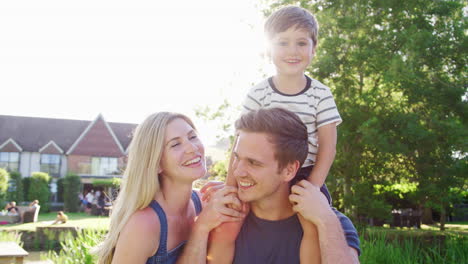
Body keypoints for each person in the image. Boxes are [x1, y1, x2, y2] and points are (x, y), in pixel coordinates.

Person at [205, 108, 360, 263]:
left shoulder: (331, 226)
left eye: (253, 163)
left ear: (289, 170)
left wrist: (327, 221)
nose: (238, 172)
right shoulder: (223, 215)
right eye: (237, 158)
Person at [94, 112, 243, 264]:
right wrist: (201, 228)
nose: (192, 148)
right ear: (157, 163)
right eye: (176, 144)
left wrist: (232, 193)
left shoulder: (204, 202)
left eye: (192, 137)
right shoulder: (143, 225)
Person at [238, 5, 340, 206]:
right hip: (263, 173)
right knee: (241, 216)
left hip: (305, 174)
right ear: (269, 48)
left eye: (301, 43)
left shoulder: (321, 95)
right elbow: (240, 143)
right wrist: (231, 186)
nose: (292, 51)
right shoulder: (258, 94)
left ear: (314, 49)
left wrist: (313, 187)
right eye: (283, 43)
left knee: (311, 220)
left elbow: (328, 148)